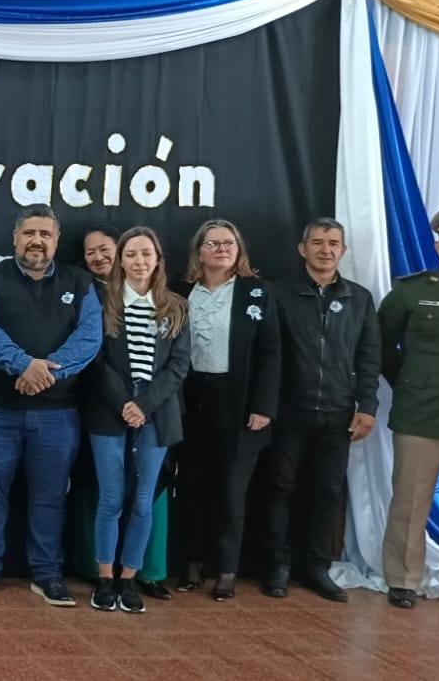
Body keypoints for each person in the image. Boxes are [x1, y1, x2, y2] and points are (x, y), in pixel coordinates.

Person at [0, 206, 101, 606]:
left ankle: (47, 574)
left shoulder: (80, 282)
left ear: (56, 240)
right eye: (29, 233)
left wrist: (44, 373)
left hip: (57, 415)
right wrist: (24, 364)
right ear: (15, 238)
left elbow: (89, 339)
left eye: (45, 234)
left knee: (50, 497)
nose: (37, 241)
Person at [263, 218, 379, 602]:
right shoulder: (279, 293)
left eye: (333, 243)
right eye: (317, 242)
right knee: (279, 487)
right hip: (288, 411)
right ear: (302, 249)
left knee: (327, 492)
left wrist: (367, 406)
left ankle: (317, 567)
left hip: (338, 413)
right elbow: (267, 354)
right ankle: (277, 566)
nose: (325, 250)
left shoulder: (359, 299)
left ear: (343, 250)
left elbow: (369, 357)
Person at [81, 228, 191, 614]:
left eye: (146, 254)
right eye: (131, 254)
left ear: (158, 259)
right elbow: (96, 360)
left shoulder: (176, 306)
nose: (139, 261)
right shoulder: (101, 302)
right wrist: (124, 403)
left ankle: (128, 578)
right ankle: (104, 578)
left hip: (157, 411)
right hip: (109, 409)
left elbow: (178, 366)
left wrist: (144, 404)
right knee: (111, 498)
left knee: (143, 501)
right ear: (121, 260)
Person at [171, 218, 281, 601]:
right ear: (199, 251)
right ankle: (192, 564)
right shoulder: (180, 291)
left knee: (231, 493)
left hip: (239, 402)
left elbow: (271, 353)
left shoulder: (257, 292)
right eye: (213, 243)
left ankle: (227, 570)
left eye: (228, 243)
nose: (221, 249)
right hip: (191, 399)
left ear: (239, 250)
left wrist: (263, 406)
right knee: (192, 487)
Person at [378, 205, 439, 609]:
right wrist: (408, 381)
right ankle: (404, 580)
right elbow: (381, 344)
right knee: (411, 499)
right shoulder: (412, 290)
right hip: (421, 408)